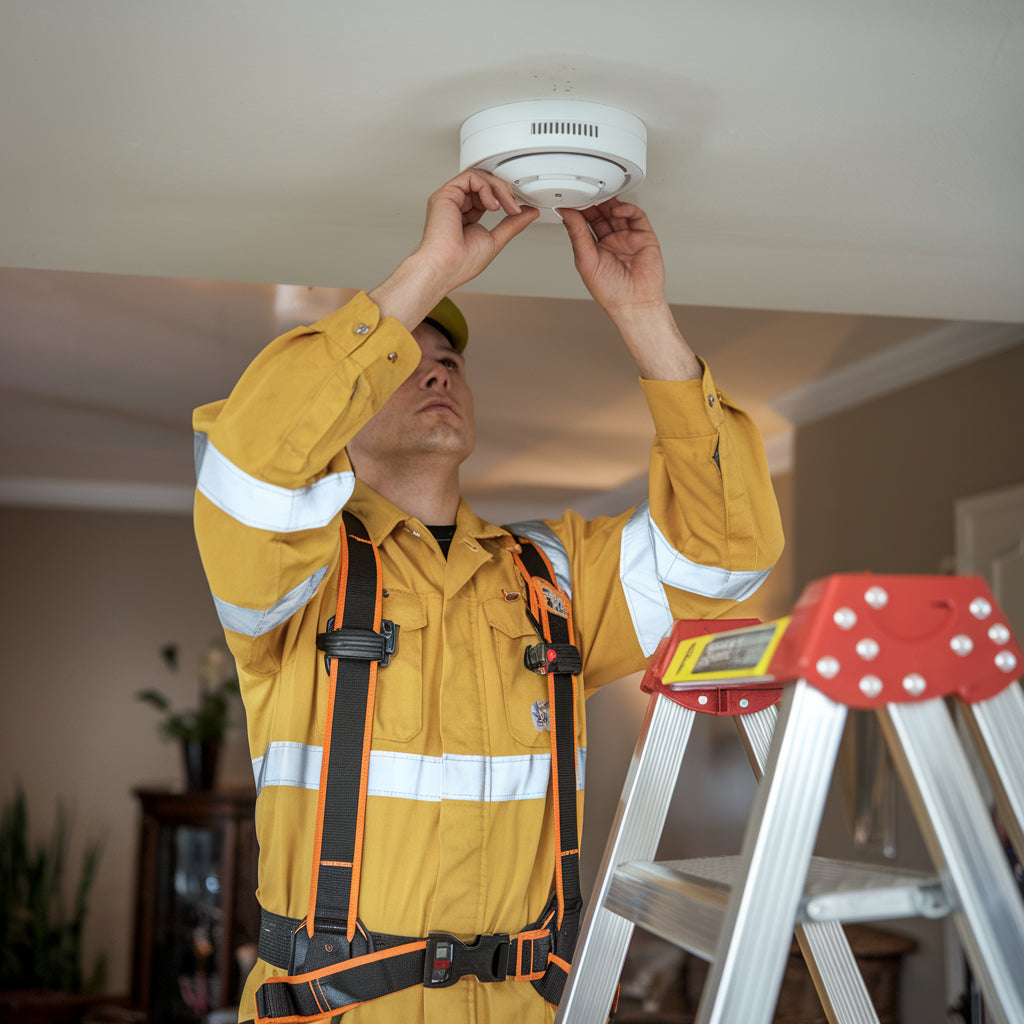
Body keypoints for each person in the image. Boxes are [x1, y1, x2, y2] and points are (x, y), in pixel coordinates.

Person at [192, 170, 784, 1023]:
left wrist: (642, 315)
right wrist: (429, 270)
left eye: (450, 362)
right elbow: (252, 460)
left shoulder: (554, 578)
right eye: (402, 361)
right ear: (342, 408)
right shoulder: (290, 575)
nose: (436, 373)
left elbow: (727, 558)